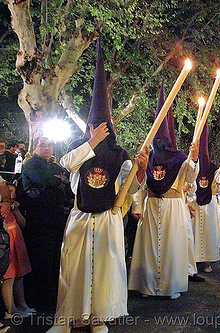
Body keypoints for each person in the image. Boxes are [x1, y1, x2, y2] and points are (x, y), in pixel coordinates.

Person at [46, 43, 148, 333]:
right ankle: (65, 320)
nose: (99, 131)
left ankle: (97, 318)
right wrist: (90, 143)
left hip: (107, 219)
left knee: (103, 271)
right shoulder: (78, 148)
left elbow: (132, 187)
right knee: (73, 270)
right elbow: (67, 164)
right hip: (80, 217)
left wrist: (141, 169)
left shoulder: (119, 153)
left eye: (103, 127)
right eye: (94, 126)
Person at [128, 83, 200, 298]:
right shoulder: (147, 157)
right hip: (151, 206)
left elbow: (190, 176)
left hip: (172, 206)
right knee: (149, 248)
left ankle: (170, 287)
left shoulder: (179, 158)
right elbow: (141, 185)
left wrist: (194, 158)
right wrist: (137, 205)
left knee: (170, 247)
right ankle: (148, 286)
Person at [21, 136, 70, 311]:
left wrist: (60, 179)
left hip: (55, 216)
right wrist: (59, 180)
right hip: (38, 219)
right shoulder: (31, 164)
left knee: (54, 256)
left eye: (50, 145)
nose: (47, 148)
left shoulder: (55, 165)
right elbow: (49, 180)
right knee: (40, 257)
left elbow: (67, 178)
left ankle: (51, 296)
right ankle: (38, 299)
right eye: (43, 145)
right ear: (35, 148)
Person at [190, 123, 220, 273]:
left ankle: (207, 261)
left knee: (208, 233)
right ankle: (193, 260)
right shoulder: (190, 163)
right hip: (194, 202)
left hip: (210, 204)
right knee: (194, 232)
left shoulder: (212, 167)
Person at [0, 182, 33, 319]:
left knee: (20, 274)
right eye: (8, 191)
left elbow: (23, 223)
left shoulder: (13, 208)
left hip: (17, 242)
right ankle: (10, 309)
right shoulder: (3, 209)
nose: (11, 195)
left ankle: (22, 304)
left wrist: (16, 210)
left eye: (13, 192)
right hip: (8, 242)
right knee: (10, 276)